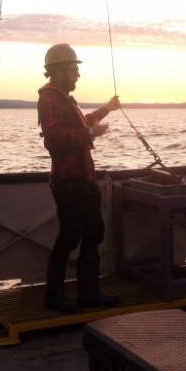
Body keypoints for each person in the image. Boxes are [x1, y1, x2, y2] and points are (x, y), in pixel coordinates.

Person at [37, 43, 121, 313]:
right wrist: (90, 135)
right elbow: (53, 139)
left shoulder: (63, 98)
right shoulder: (50, 99)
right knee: (70, 236)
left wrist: (107, 109)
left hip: (84, 180)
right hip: (69, 182)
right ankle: (54, 295)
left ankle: (88, 293)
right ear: (59, 71)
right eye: (74, 69)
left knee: (94, 232)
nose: (77, 75)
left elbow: (81, 123)